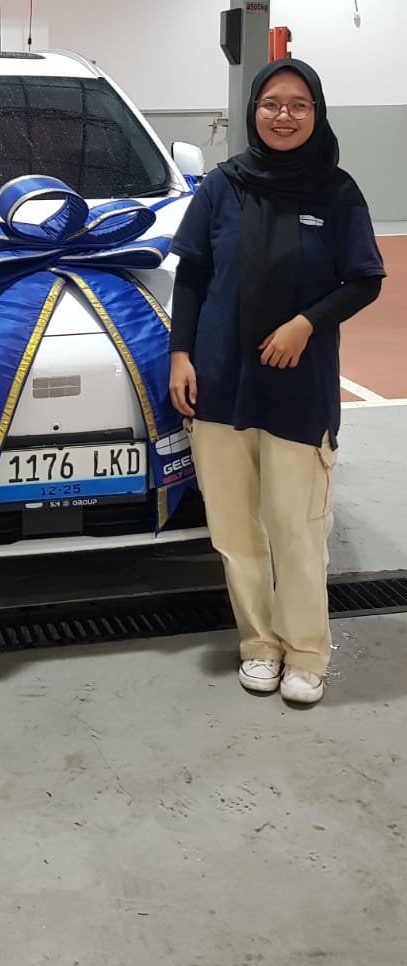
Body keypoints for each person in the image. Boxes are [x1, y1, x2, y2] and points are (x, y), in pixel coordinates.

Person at [169, 59, 384, 706]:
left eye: (297, 104)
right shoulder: (222, 186)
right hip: (220, 384)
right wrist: (181, 355)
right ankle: (259, 645)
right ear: (252, 111)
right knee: (235, 532)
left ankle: (306, 653)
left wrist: (305, 325)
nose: (282, 115)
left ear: (316, 113)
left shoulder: (336, 192)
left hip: (297, 387)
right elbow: (192, 275)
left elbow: (363, 280)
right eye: (270, 103)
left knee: (297, 529)